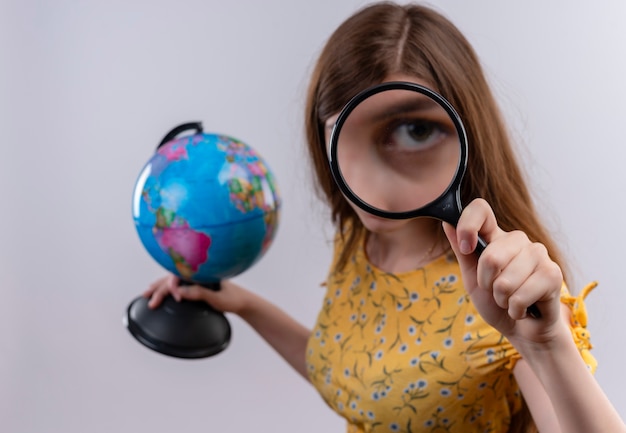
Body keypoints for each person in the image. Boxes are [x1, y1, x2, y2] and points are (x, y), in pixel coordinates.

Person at [144, 2, 626, 432]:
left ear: (465, 129)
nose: (371, 186)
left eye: (415, 130)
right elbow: (358, 381)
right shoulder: (360, 242)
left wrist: (546, 346)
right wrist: (243, 303)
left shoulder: (510, 294)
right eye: (341, 134)